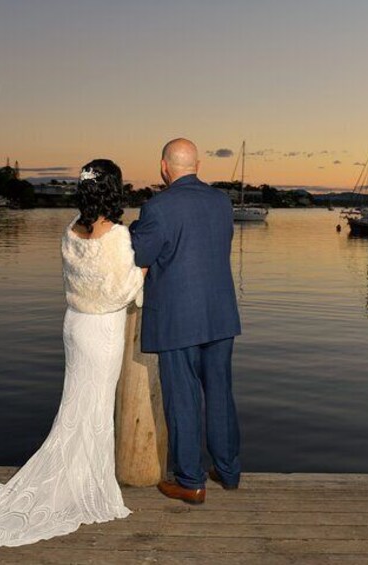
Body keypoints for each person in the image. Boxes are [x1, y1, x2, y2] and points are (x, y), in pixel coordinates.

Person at [0, 159, 143, 546]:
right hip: (102, 330)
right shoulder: (117, 235)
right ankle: (87, 487)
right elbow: (118, 292)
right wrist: (144, 273)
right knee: (95, 409)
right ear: (114, 190)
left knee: (77, 405)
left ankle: (80, 479)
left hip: (75, 326)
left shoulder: (71, 228)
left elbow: (82, 278)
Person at [129, 138, 242, 504]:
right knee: (221, 394)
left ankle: (191, 480)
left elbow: (141, 253)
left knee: (183, 399)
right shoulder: (222, 202)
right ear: (199, 164)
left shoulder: (157, 207)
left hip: (179, 319)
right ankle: (227, 470)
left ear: (164, 166)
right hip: (220, 315)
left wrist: (133, 230)